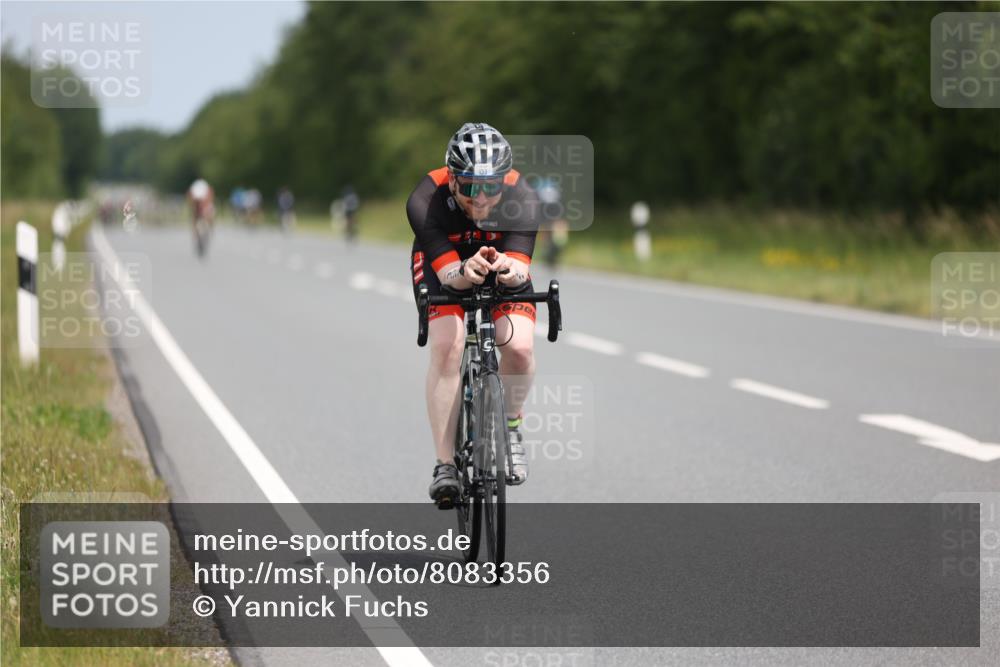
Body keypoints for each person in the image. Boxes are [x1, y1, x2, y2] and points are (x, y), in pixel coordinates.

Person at [407, 122, 541, 505]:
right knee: (448, 348)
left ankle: (511, 427)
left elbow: (519, 272)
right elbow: (450, 277)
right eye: (469, 188)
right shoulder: (425, 198)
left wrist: (503, 266)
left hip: (498, 256)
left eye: (490, 188)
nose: (480, 199)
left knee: (519, 349)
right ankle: (445, 464)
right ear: (451, 181)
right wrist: (464, 273)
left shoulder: (523, 196)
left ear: (504, 182)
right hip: (443, 261)